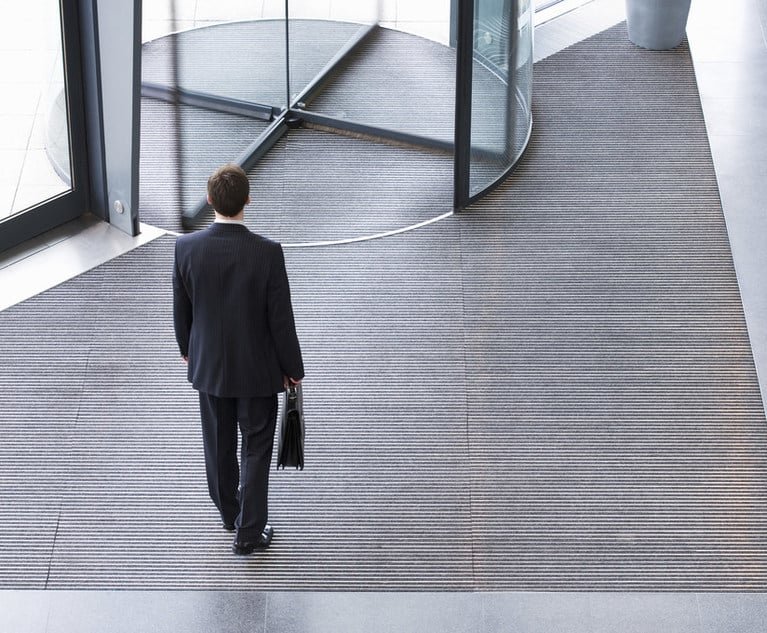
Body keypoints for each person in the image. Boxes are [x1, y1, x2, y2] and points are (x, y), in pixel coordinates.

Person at [172, 163, 304, 555]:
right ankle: (248, 531)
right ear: (248, 200)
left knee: (218, 444)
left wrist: (186, 350)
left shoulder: (186, 248)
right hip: (259, 371)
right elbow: (281, 320)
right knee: (256, 447)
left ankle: (229, 513)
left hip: (210, 367)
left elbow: (182, 309)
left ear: (210, 200)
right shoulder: (267, 253)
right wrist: (293, 369)